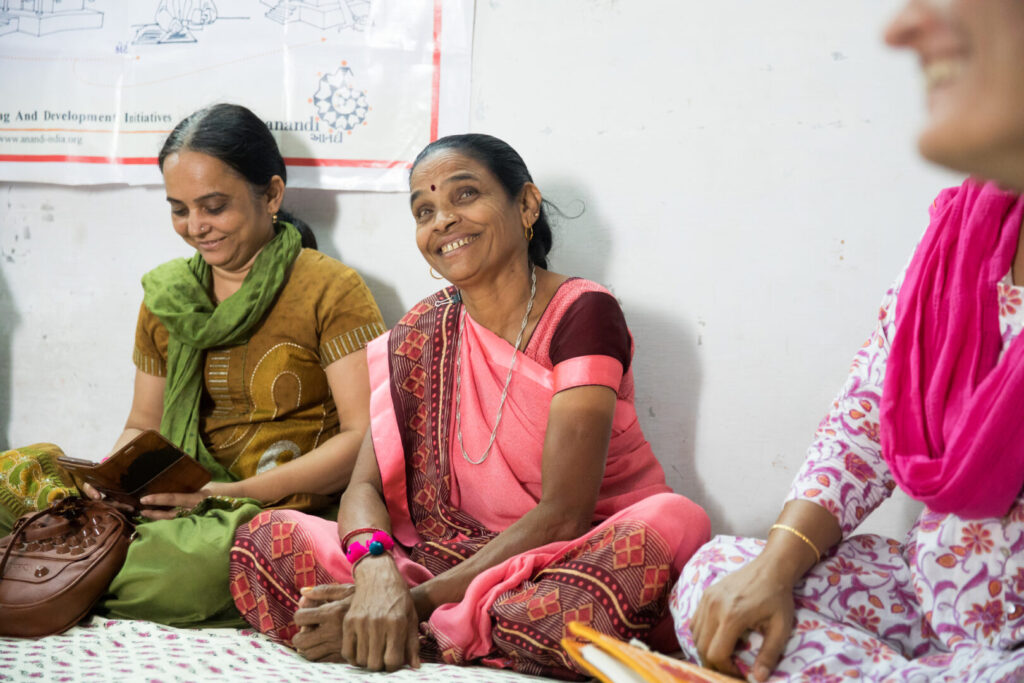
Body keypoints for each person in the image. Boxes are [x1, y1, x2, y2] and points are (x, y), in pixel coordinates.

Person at [227, 133, 711, 676]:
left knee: (671, 524)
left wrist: (411, 603)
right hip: (445, 561)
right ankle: (439, 626)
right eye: (424, 210)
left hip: (568, 553)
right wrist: (376, 571)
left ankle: (394, 628)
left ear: (526, 205)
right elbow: (363, 486)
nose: (442, 220)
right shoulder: (419, 331)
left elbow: (566, 514)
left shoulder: (583, 314)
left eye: (464, 195)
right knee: (262, 539)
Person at [670, 1, 1024, 681]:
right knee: (715, 582)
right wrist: (774, 567)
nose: (901, 30)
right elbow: (867, 418)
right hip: (929, 595)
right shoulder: (961, 238)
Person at [0, 103, 385, 627]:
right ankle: (62, 567)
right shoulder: (169, 295)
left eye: (214, 206)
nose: (196, 226)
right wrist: (113, 485)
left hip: (268, 510)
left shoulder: (330, 289)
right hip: (172, 493)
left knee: (188, 572)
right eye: (179, 209)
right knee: (16, 474)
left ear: (270, 194)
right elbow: (143, 424)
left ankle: (51, 575)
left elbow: (362, 438)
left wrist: (223, 495)